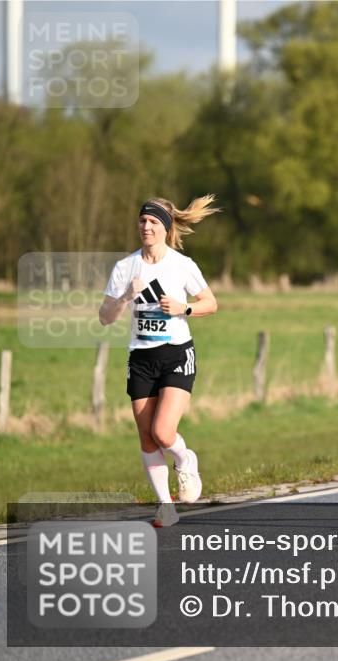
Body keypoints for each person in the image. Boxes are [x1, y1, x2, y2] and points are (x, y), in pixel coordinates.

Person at [99, 196, 220, 527]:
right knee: (147, 438)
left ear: (165, 229)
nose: (146, 227)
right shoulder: (125, 268)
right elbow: (105, 318)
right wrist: (126, 296)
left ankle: (185, 459)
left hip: (176, 353)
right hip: (141, 357)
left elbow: (211, 303)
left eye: (153, 222)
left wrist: (185, 309)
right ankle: (166, 507)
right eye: (142, 221)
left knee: (164, 432)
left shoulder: (182, 265)